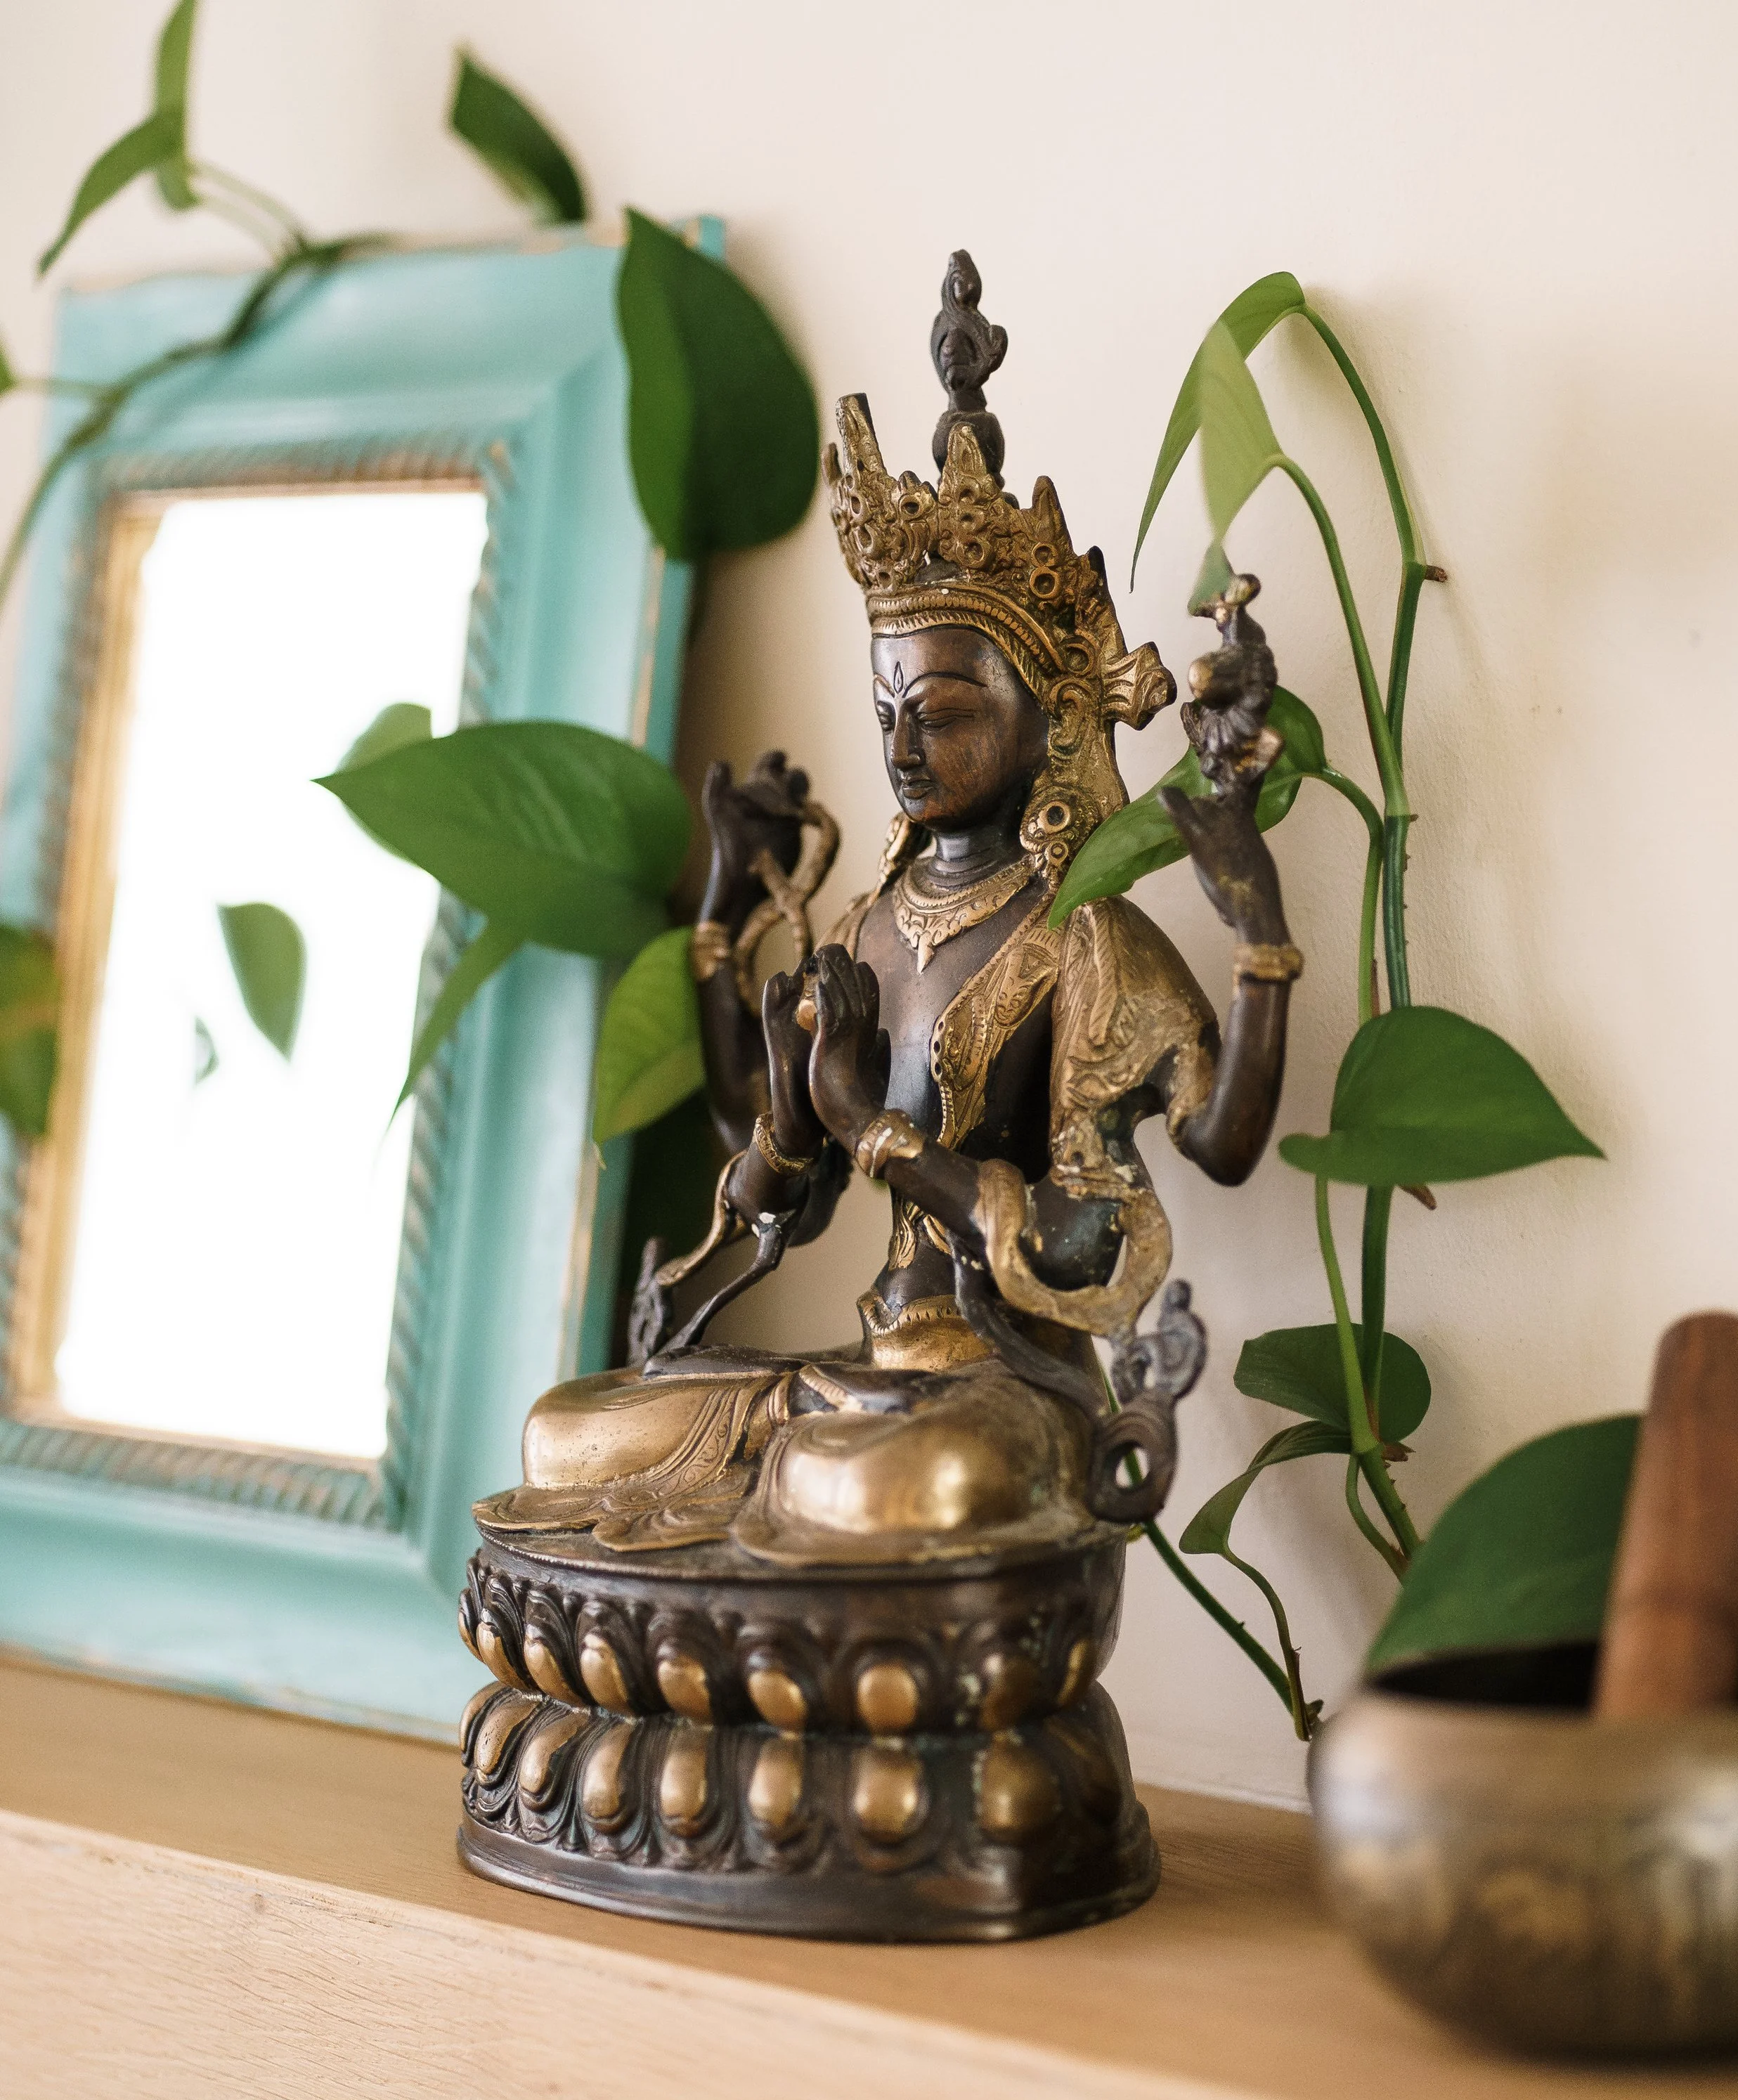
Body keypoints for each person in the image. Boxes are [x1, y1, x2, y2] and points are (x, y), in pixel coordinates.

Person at [478, 257, 1301, 1567]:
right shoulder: (862, 930)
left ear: (1049, 713)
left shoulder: (1079, 935)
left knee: (886, 1487)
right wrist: (796, 1127)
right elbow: (767, 1194)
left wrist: (1257, 932)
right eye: (885, 715)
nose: (905, 748)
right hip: (848, 1385)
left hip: (1005, 1396)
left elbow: (1204, 1152)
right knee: (569, 1430)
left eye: (947, 713)